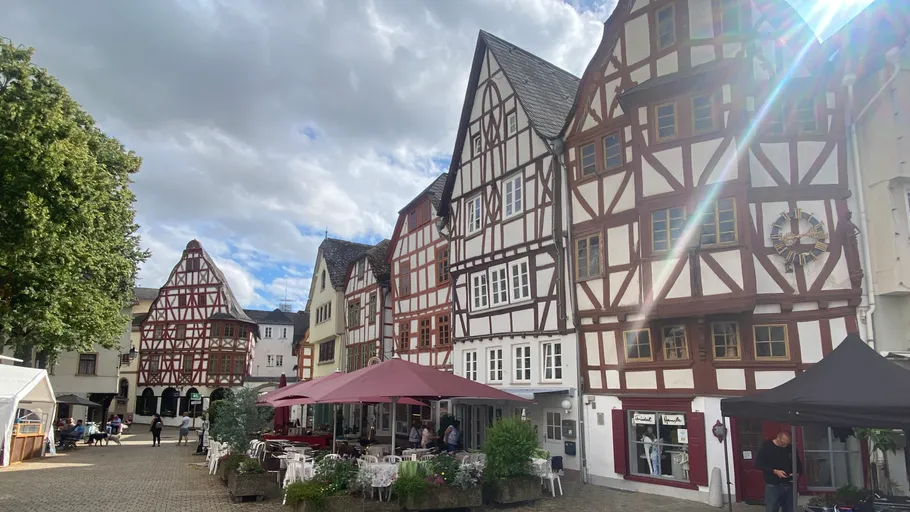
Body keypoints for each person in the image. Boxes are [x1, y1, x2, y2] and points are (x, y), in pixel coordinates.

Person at [756, 431, 803, 512]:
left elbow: (798, 464)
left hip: (789, 484)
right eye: (783, 443)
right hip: (773, 484)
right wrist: (775, 471)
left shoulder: (791, 448)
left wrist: (797, 473)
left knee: (789, 508)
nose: (785, 445)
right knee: (772, 508)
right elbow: (759, 464)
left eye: (787, 443)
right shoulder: (767, 446)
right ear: (778, 438)